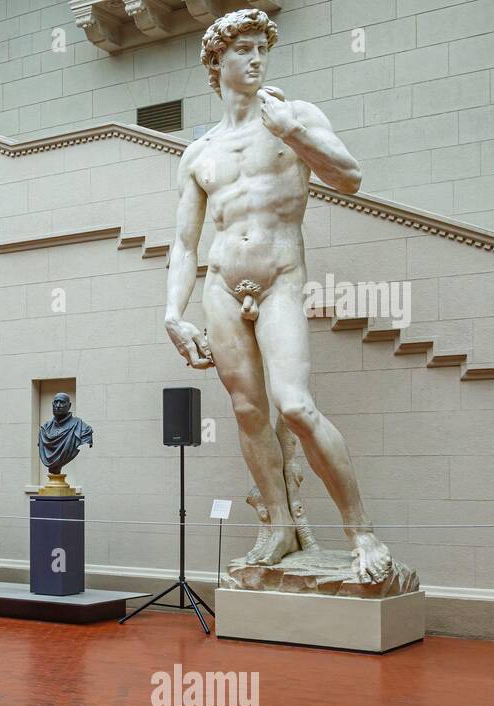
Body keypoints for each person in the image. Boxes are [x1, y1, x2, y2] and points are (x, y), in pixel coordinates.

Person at [163, 9, 391, 582]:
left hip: (280, 277)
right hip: (220, 284)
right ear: (216, 63)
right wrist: (172, 312)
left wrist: (292, 130)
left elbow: (350, 177)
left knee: (294, 404)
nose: (256, 58)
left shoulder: (296, 118)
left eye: (261, 47)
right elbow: (184, 244)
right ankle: (279, 527)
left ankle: (361, 532)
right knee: (247, 411)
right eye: (242, 48)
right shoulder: (200, 153)